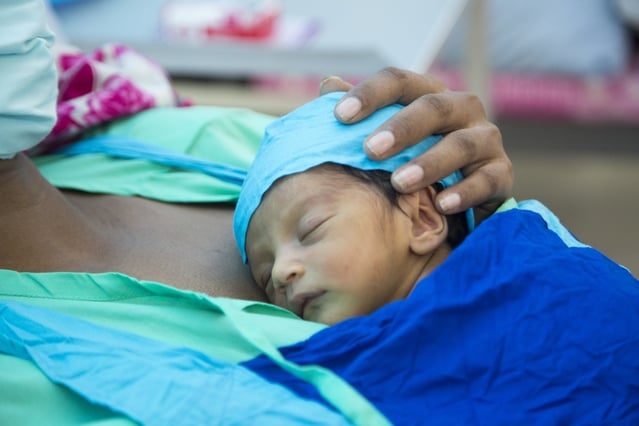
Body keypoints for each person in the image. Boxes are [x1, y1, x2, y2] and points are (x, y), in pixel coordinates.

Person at [234, 92, 476, 325]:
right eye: (265, 278)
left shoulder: (506, 271)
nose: (280, 273)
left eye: (311, 229)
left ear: (422, 218)